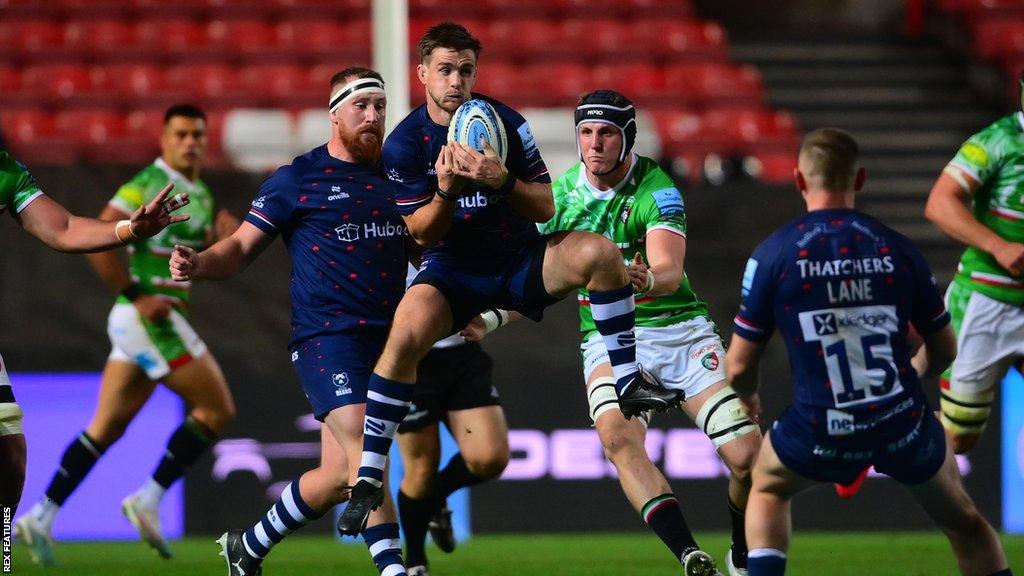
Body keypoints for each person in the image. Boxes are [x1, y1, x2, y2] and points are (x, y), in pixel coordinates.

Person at [338, 21, 683, 537]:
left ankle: (628, 379)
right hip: (453, 270)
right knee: (403, 337)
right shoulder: (406, 143)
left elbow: (545, 204)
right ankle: (368, 476)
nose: (456, 81)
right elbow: (420, 234)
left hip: (518, 259)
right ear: (423, 74)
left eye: (466, 70)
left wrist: (501, 182)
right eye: (445, 70)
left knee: (601, 252)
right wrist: (449, 190)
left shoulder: (506, 120)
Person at [727, 128, 1012, 576]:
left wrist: (747, 397)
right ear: (860, 179)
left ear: (800, 181)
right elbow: (943, 350)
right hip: (899, 422)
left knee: (766, 489)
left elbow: (740, 364)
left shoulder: (775, 254)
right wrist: (911, 373)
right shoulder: (899, 249)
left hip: (820, 426)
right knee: (967, 526)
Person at [169, 67, 409, 576]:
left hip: (390, 343)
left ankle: (248, 547)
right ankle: (394, 570)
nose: (372, 116)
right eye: (361, 105)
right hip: (327, 339)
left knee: (339, 475)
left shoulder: (398, 176)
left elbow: (429, 244)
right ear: (335, 112)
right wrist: (200, 263)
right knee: (370, 454)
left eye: (380, 107)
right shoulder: (298, 178)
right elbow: (238, 249)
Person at [534, 89, 759, 576]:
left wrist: (645, 279)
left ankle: (741, 552)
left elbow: (669, 271)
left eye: (607, 133)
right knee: (617, 441)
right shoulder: (561, 198)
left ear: (627, 136)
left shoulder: (656, 189)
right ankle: (690, 555)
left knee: (747, 459)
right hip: (610, 340)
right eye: (586, 133)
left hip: (681, 332)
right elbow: (537, 285)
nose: (594, 144)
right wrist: (485, 318)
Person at [15, 104, 237, 566]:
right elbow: (99, 239)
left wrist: (231, 236)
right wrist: (137, 295)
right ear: (163, 139)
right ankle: (148, 498)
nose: (190, 142)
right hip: (149, 319)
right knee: (217, 408)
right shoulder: (148, 184)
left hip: (143, 323)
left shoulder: (201, 193)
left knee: (106, 428)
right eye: (181, 134)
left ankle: (40, 514)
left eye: (198, 134)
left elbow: (219, 247)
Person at [0, 151, 187, 521]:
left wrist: (130, 230)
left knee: (9, 456)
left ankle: (2, 556)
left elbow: (64, 228)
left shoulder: (5, 172)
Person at [923, 73, 1024, 455]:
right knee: (960, 436)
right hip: (988, 301)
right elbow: (940, 203)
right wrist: (998, 246)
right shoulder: (997, 141)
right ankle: (892, 441)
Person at [396, 263, 509, 576]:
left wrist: (488, 318)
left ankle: (436, 499)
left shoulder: (459, 223)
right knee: (420, 470)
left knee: (491, 458)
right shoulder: (384, 230)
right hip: (408, 358)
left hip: (462, 354)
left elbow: (519, 289)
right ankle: (415, 560)